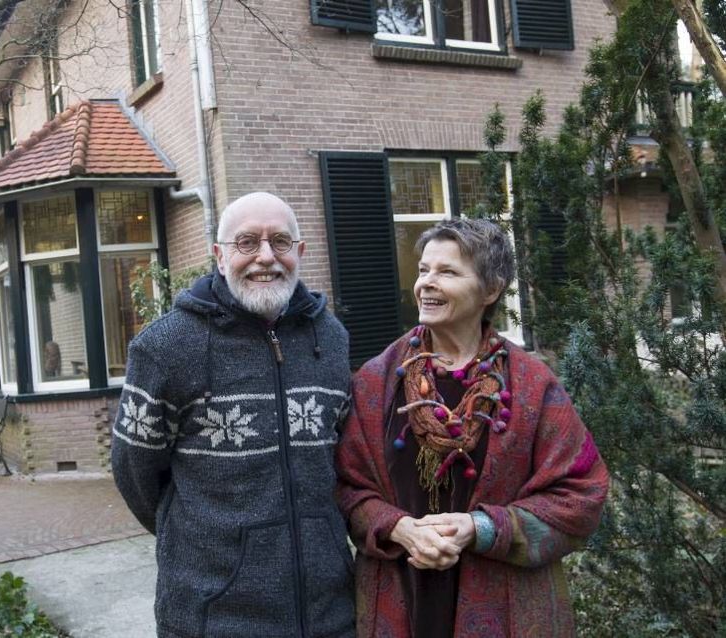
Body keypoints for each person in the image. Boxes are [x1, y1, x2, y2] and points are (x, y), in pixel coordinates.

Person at [335, 218, 609, 637]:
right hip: (399, 596)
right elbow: (347, 487)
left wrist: (480, 529)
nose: (426, 283)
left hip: (506, 607)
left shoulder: (534, 386)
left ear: (491, 289)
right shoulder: (376, 380)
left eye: (447, 272)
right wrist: (399, 528)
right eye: (424, 270)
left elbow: (582, 492)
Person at [111, 192, 356, 638]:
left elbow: (342, 459)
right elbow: (137, 476)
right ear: (220, 256)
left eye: (280, 241)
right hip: (211, 617)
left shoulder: (331, 339)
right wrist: (212, 545)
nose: (266, 256)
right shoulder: (166, 348)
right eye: (247, 242)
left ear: (300, 253)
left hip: (330, 615)